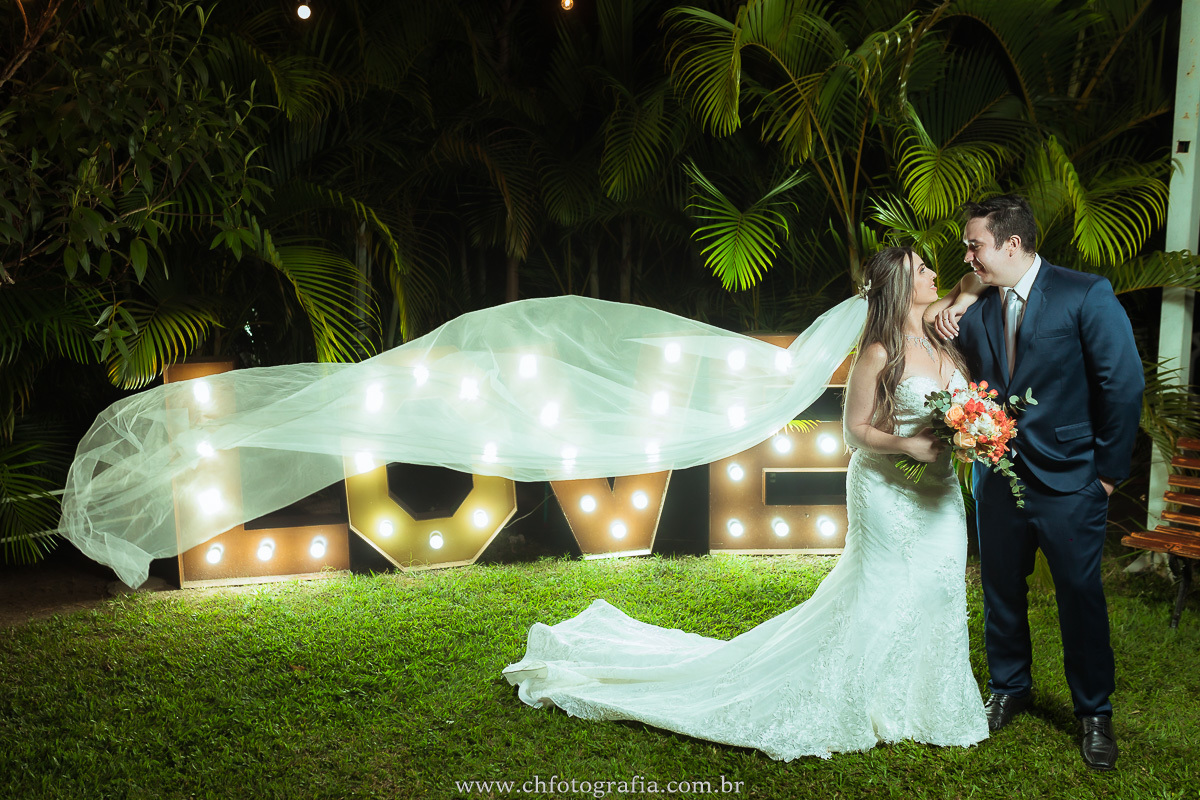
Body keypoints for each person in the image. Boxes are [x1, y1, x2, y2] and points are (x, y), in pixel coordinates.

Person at [502, 247, 989, 761]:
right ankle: (867, 697)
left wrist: (972, 432)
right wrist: (908, 445)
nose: (934, 273)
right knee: (881, 589)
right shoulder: (877, 352)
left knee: (937, 588)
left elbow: (968, 283)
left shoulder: (941, 328)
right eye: (921, 269)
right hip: (887, 487)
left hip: (938, 491)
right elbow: (854, 432)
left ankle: (925, 702)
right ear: (899, 287)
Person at [932, 194, 1143, 771]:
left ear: (1013, 244)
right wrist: (959, 293)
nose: (968, 254)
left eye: (975, 245)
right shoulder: (972, 308)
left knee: (1080, 595)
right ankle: (1009, 687)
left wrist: (1106, 475)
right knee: (1000, 589)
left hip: (1072, 480)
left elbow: (1122, 386)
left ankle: (1093, 712)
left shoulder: (1085, 293)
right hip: (996, 478)